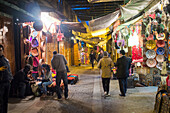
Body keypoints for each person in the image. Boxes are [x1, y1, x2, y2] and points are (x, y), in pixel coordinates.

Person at [0, 44, 13, 113]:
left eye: (1, 50)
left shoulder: (5, 59)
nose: (0, 52)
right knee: (1, 100)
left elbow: (8, 70)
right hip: (1, 82)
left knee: (5, 100)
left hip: (7, 81)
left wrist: (10, 78)